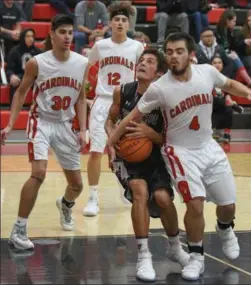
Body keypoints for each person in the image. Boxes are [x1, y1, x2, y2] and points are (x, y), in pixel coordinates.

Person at [107, 32, 251, 281]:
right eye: (169, 52)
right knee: (195, 203)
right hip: (178, 151)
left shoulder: (207, 73)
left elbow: (229, 85)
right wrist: (110, 142)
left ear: (190, 54)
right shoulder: (159, 88)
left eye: (179, 51)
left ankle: (225, 228)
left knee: (228, 205)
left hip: (208, 147)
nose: (173, 56)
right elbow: (130, 117)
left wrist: (250, 93)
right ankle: (196, 256)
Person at [1, 14, 89, 250]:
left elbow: (81, 98)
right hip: (41, 121)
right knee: (38, 173)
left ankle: (66, 204)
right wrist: (10, 125)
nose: (67, 37)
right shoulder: (37, 62)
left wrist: (84, 129)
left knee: (78, 186)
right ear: (52, 34)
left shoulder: (81, 63)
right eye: (62, 32)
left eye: (70, 32)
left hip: (67, 124)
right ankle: (19, 229)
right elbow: (20, 93)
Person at [105, 48, 190, 281]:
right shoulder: (122, 92)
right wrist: (111, 146)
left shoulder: (166, 98)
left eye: (149, 61)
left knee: (163, 199)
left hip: (155, 155)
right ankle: (144, 255)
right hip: (127, 157)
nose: (142, 63)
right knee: (140, 191)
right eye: (141, 60)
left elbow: (169, 139)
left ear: (159, 72)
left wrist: (150, 134)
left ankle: (175, 248)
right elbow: (109, 122)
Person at [83, 2, 144, 217]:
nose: (119, 23)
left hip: (127, 103)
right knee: (96, 151)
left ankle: (125, 186)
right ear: (110, 23)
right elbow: (85, 69)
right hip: (102, 102)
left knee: (128, 150)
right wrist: (84, 93)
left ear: (128, 24)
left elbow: (145, 75)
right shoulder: (100, 46)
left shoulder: (137, 47)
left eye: (123, 20)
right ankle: (92, 197)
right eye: (116, 20)